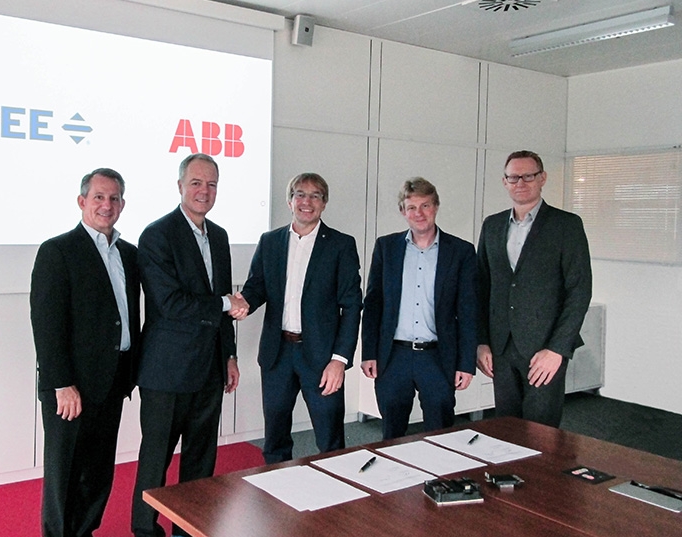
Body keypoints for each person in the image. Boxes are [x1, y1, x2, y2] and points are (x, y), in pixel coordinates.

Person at [131, 153, 244, 537]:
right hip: (167, 371)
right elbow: (171, 303)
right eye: (196, 183)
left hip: (210, 367)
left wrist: (229, 354)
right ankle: (145, 531)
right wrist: (226, 304)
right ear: (180, 186)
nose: (204, 191)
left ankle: (189, 529)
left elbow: (221, 302)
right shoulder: (157, 235)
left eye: (211, 184)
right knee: (156, 460)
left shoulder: (220, 236)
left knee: (201, 460)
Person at [30, 168, 141, 537]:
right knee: (65, 473)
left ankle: (84, 532)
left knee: (97, 470)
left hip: (113, 380)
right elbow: (47, 324)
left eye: (114, 198)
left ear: (122, 204)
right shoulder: (57, 251)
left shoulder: (129, 254)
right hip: (72, 387)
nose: (106, 205)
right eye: (98, 197)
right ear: (82, 201)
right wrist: (61, 383)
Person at [238, 173, 362, 464]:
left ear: (324, 203)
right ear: (289, 201)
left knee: (330, 440)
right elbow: (256, 287)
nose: (307, 201)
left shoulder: (341, 245)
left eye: (315, 195)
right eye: (300, 194)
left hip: (322, 357)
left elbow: (352, 306)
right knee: (275, 438)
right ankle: (276, 486)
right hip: (277, 353)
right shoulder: (270, 241)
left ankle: (334, 489)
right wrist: (241, 303)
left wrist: (339, 360)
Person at [476, 150, 592, 428]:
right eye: (513, 177)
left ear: (542, 178)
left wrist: (557, 349)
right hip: (501, 348)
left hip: (545, 349)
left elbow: (579, 291)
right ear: (504, 182)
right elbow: (480, 288)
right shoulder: (492, 225)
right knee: (505, 429)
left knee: (541, 433)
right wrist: (481, 342)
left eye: (528, 176)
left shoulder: (566, 225)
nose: (521, 182)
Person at [361, 177, 476, 438]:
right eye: (411, 207)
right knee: (392, 434)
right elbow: (373, 304)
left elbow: (468, 311)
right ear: (403, 211)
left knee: (441, 433)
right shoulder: (386, 248)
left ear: (436, 207)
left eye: (425, 205)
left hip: (437, 357)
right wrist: (369, 353)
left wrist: (466, 363)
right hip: (393, 357)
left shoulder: (461, 251)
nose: (419, 213)